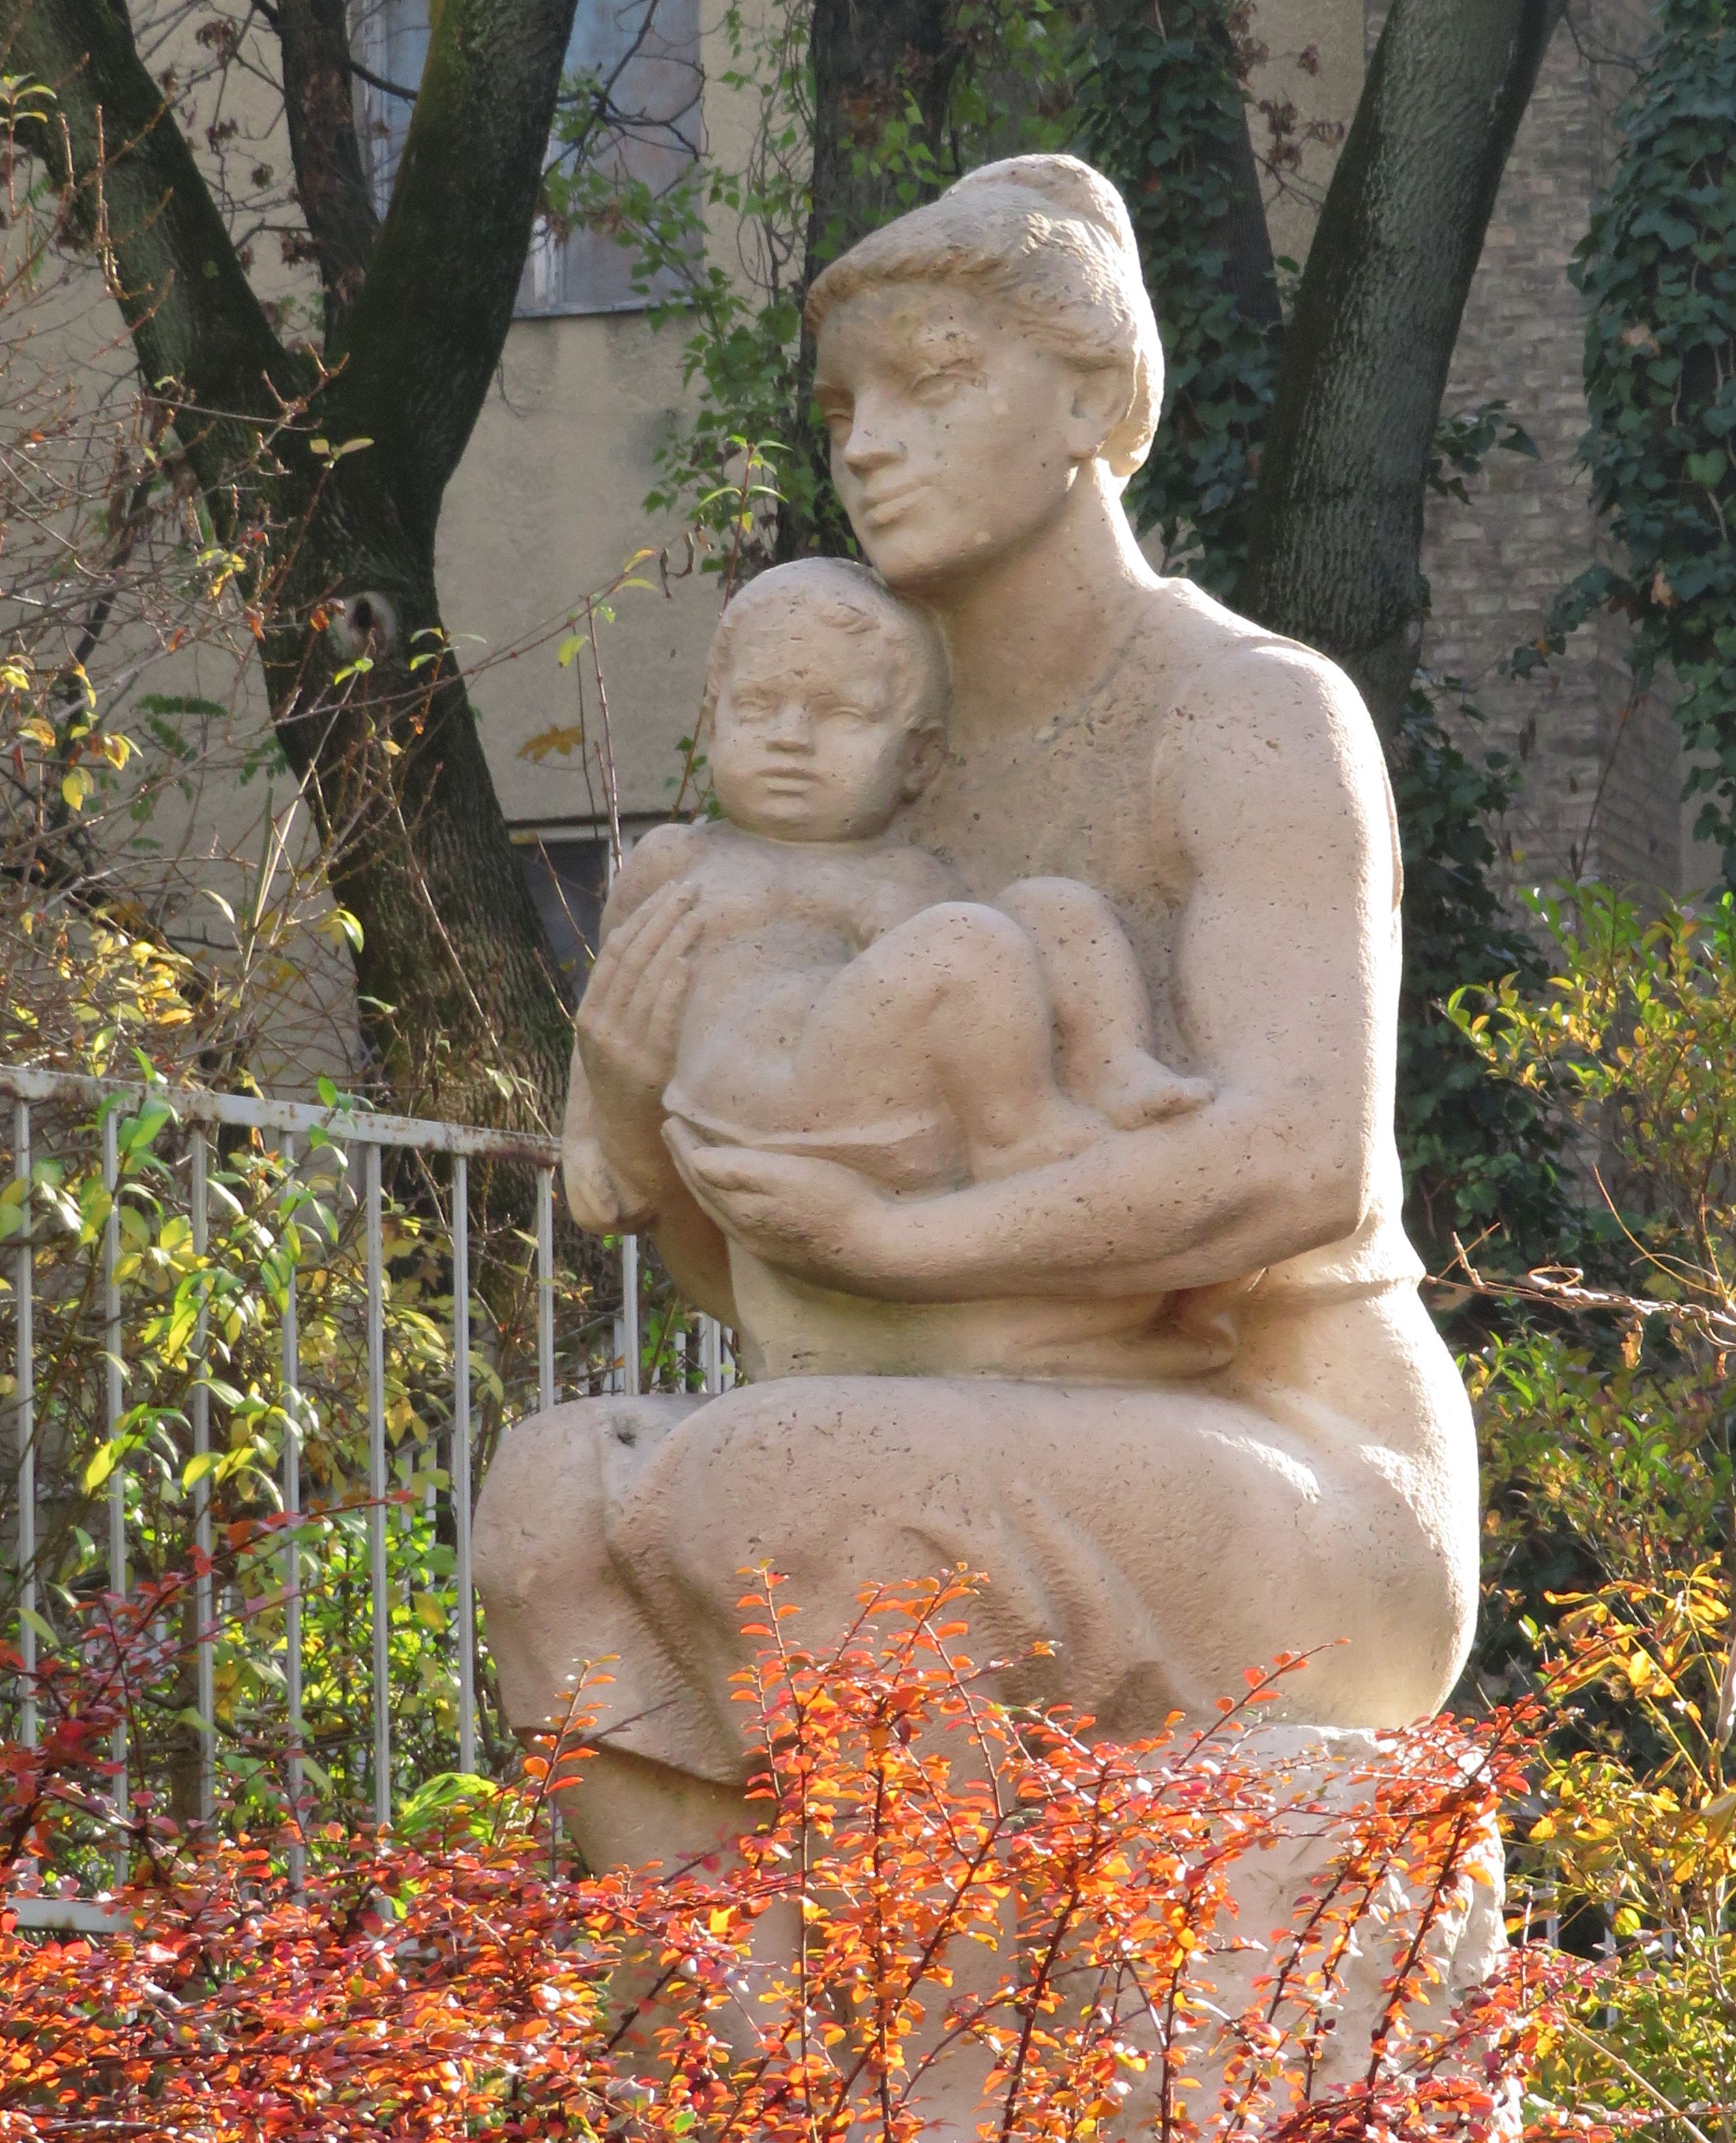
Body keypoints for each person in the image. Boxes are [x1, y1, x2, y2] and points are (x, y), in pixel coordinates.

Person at [479, 154, 1478, 1878]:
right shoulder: (867, 769)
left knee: (778, 1478)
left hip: (1298, 1470)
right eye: (842, 408)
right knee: (548, 1502)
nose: (867, 443)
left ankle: (936, 2011)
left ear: (1093, 399)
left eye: (931, 383)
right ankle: (733, 2016)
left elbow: (1299, 1158)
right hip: (947, 1414)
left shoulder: (1248, 714)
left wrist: (897, 1237)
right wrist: (640, 1112)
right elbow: (789, 1282)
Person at [568, 554, 1213, 1380]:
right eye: (758, 706)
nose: (790, 738)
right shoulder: (680, 860)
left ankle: (1113, 1066)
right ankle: (1020, 1137)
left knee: (1053, 907)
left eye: (837, 713)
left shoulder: (906, 872)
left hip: (870, 1105)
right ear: (713, 720)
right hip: (759, 1100)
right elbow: (607, 1019)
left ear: (918, 761)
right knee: (966, 940)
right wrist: (587, 1137)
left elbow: (966, 1017)